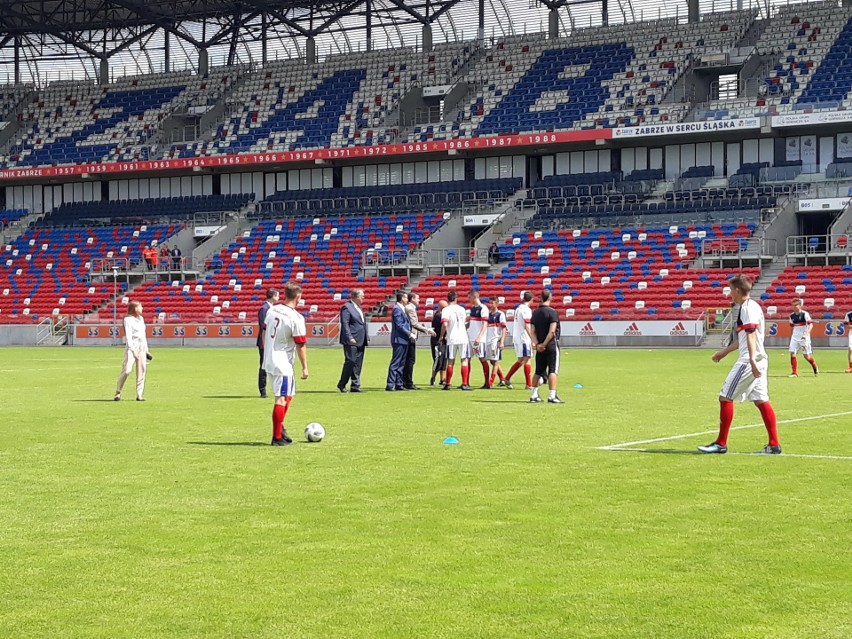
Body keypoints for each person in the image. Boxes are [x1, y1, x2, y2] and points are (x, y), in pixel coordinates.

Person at [698, 274, 781, 455]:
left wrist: (751, 359)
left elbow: (750, 335)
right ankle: (774, 445)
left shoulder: (746, 308)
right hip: (760, 359)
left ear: (737, 290)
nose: (729, 294)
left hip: (749, 360)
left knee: (725, 396)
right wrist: (724, 352)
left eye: (730, 290)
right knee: (761, 400)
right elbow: (745, 337)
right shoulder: (753, 307)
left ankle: (721, 443)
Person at [263, 282, 309, 446]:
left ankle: (280, 427)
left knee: (288, 394)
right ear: (298, 296)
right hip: (282, 362)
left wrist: (267, 351)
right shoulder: (296, 317)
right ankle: (276, 437)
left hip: (269, 359)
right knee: (281, 398)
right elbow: (300, 344)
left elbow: (264, 331)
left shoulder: (272, 310)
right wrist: (305, 367)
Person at [529, 289, 563, 404]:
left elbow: (532, 331)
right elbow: (552, 331)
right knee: (553, 370)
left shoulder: (535, 313)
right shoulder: (553, 312)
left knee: (538, 371)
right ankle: (552, 395)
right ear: (550, 297)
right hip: (551, 346)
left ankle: (534, 394)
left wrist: (537, 344)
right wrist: (544, 344)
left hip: (539, 347)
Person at [114, 300, 150, 401]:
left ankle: (139, 395)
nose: (142, 308)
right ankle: (118, 392)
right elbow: (129, 337)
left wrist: (146, 350)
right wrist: (133, 350)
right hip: (132, 347)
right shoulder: (128, 320)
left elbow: (143, 336)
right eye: (140, 307)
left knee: (141, 371)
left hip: (141, 347)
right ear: (135, 308)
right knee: (127, 370)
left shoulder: (141, 319)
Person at [438, 290, 472, 390]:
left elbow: (444, 324)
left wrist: (441, 336)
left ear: (447, 299)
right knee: (464, 360)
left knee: (450, 361)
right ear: (456, 299)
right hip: (463, 337)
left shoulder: (446, 310)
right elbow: (464, 322)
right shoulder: (462, 309)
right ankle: (465, 383)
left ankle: (448, 383)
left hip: (452, 338)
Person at [402, 291, 435, 390]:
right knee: (410, 360)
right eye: (417, 298)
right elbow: (414, 324)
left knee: (408, 360)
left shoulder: (409, 308)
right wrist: (427, 330)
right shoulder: (410, 309)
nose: (419, 300)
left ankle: (405, 381)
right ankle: (408, 382)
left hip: (409, 336)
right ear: (412, 299)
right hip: (410, 336)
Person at [337, 288, 368, 393]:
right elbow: (345, 323)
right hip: (351, 340)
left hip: (361, 339)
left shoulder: (359, 307)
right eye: (362, 296)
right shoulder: (347, 307)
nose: (363, 297)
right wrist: (349, 337)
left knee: (358, 363)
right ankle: (342, 383)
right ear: (357, 297)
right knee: (350, 361)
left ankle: (355, 385)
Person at [503, 291, 535, 389]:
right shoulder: (526, 310)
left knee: (521, 360)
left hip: (517, 337)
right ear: (531, 299)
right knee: (527, 359)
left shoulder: (518, 309)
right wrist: (533, 338)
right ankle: (529, 384)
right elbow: (526, 325)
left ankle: (507, 378)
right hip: (524, 338)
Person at [386, 291, 413, 391]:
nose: (407, 300)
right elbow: (399, 325)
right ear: (402, 298)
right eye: (406, 298)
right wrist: (409, 333)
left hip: (403, 339)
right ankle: (390, 384)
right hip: (399, 339)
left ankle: (399, 383)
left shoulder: (401, 309)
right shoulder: (397, 309)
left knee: (401, 363)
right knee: (396, 362)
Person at [256, 288, 280, 398]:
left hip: (271, 341)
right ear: (273, 296)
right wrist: (264, 343)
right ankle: (262, 389)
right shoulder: (264, 309)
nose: (279, 298)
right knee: (263, 365)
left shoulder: (272, 309)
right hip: (264, 342)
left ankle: (275, 387)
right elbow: (263, 327)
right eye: (277, 295)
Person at [788, 298, 819, 377]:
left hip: (804, 338)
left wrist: (806, 334)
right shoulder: (791, 316)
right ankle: (794, 372)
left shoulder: (805, 314)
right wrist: (791, 336)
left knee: (806, 356)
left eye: (796, 305)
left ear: (800, 305)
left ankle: (814, 366)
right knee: (792, 353)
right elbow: (792, 326)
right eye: (793, 305)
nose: (794, 307)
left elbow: (811, 325)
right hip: (795, 337)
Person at [467, 289, 490, 387]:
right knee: (467, 359)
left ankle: (487, 382)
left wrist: (479, 337)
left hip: (478, 338)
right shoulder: (472, 308)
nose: (468, 299)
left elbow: (485, 324)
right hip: (470, 337)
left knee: (482, 359)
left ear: (474, 297)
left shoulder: (483, 308)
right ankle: (466, 382)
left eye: (469, 297)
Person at [485, 297, 508, 388]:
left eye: (492, 303)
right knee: (492, 361)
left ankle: (491, 382)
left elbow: (504, 329)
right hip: (489, 340)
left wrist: (502, 341)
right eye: (489, 303)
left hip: (496, 340)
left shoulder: (500, 314)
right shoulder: (488, 315)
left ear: (497, 304)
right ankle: (502, 379)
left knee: (495, 361)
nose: (490, 305)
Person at [430, 300, 448, 386]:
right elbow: (442, 327)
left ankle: (443, 379)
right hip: (437, 340)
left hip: (444, 340)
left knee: (444, 360)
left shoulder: (442, 315)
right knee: (438, 360)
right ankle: (433, 378)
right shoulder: (438, 316)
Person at [846, 308, 852, 373]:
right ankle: (851, 367)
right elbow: (845, 325)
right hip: (851, 334)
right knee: (850, 349)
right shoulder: (849, 314)